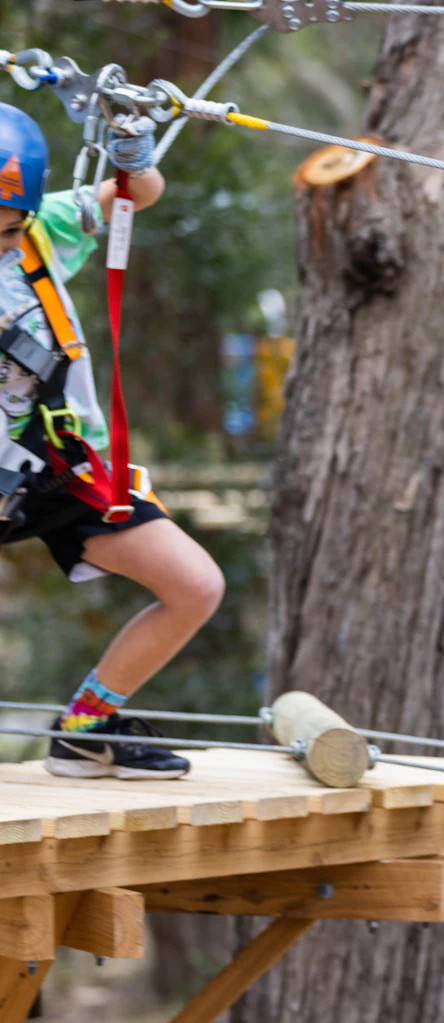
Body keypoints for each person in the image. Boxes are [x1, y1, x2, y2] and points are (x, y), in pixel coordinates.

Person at [0, 102, 223, 779]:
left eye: (9, 229)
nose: (3, 242)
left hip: (61, 466)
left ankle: (85, 729)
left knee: (194, 585)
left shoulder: (43, 231)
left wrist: (132, 154)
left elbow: (135, 196)